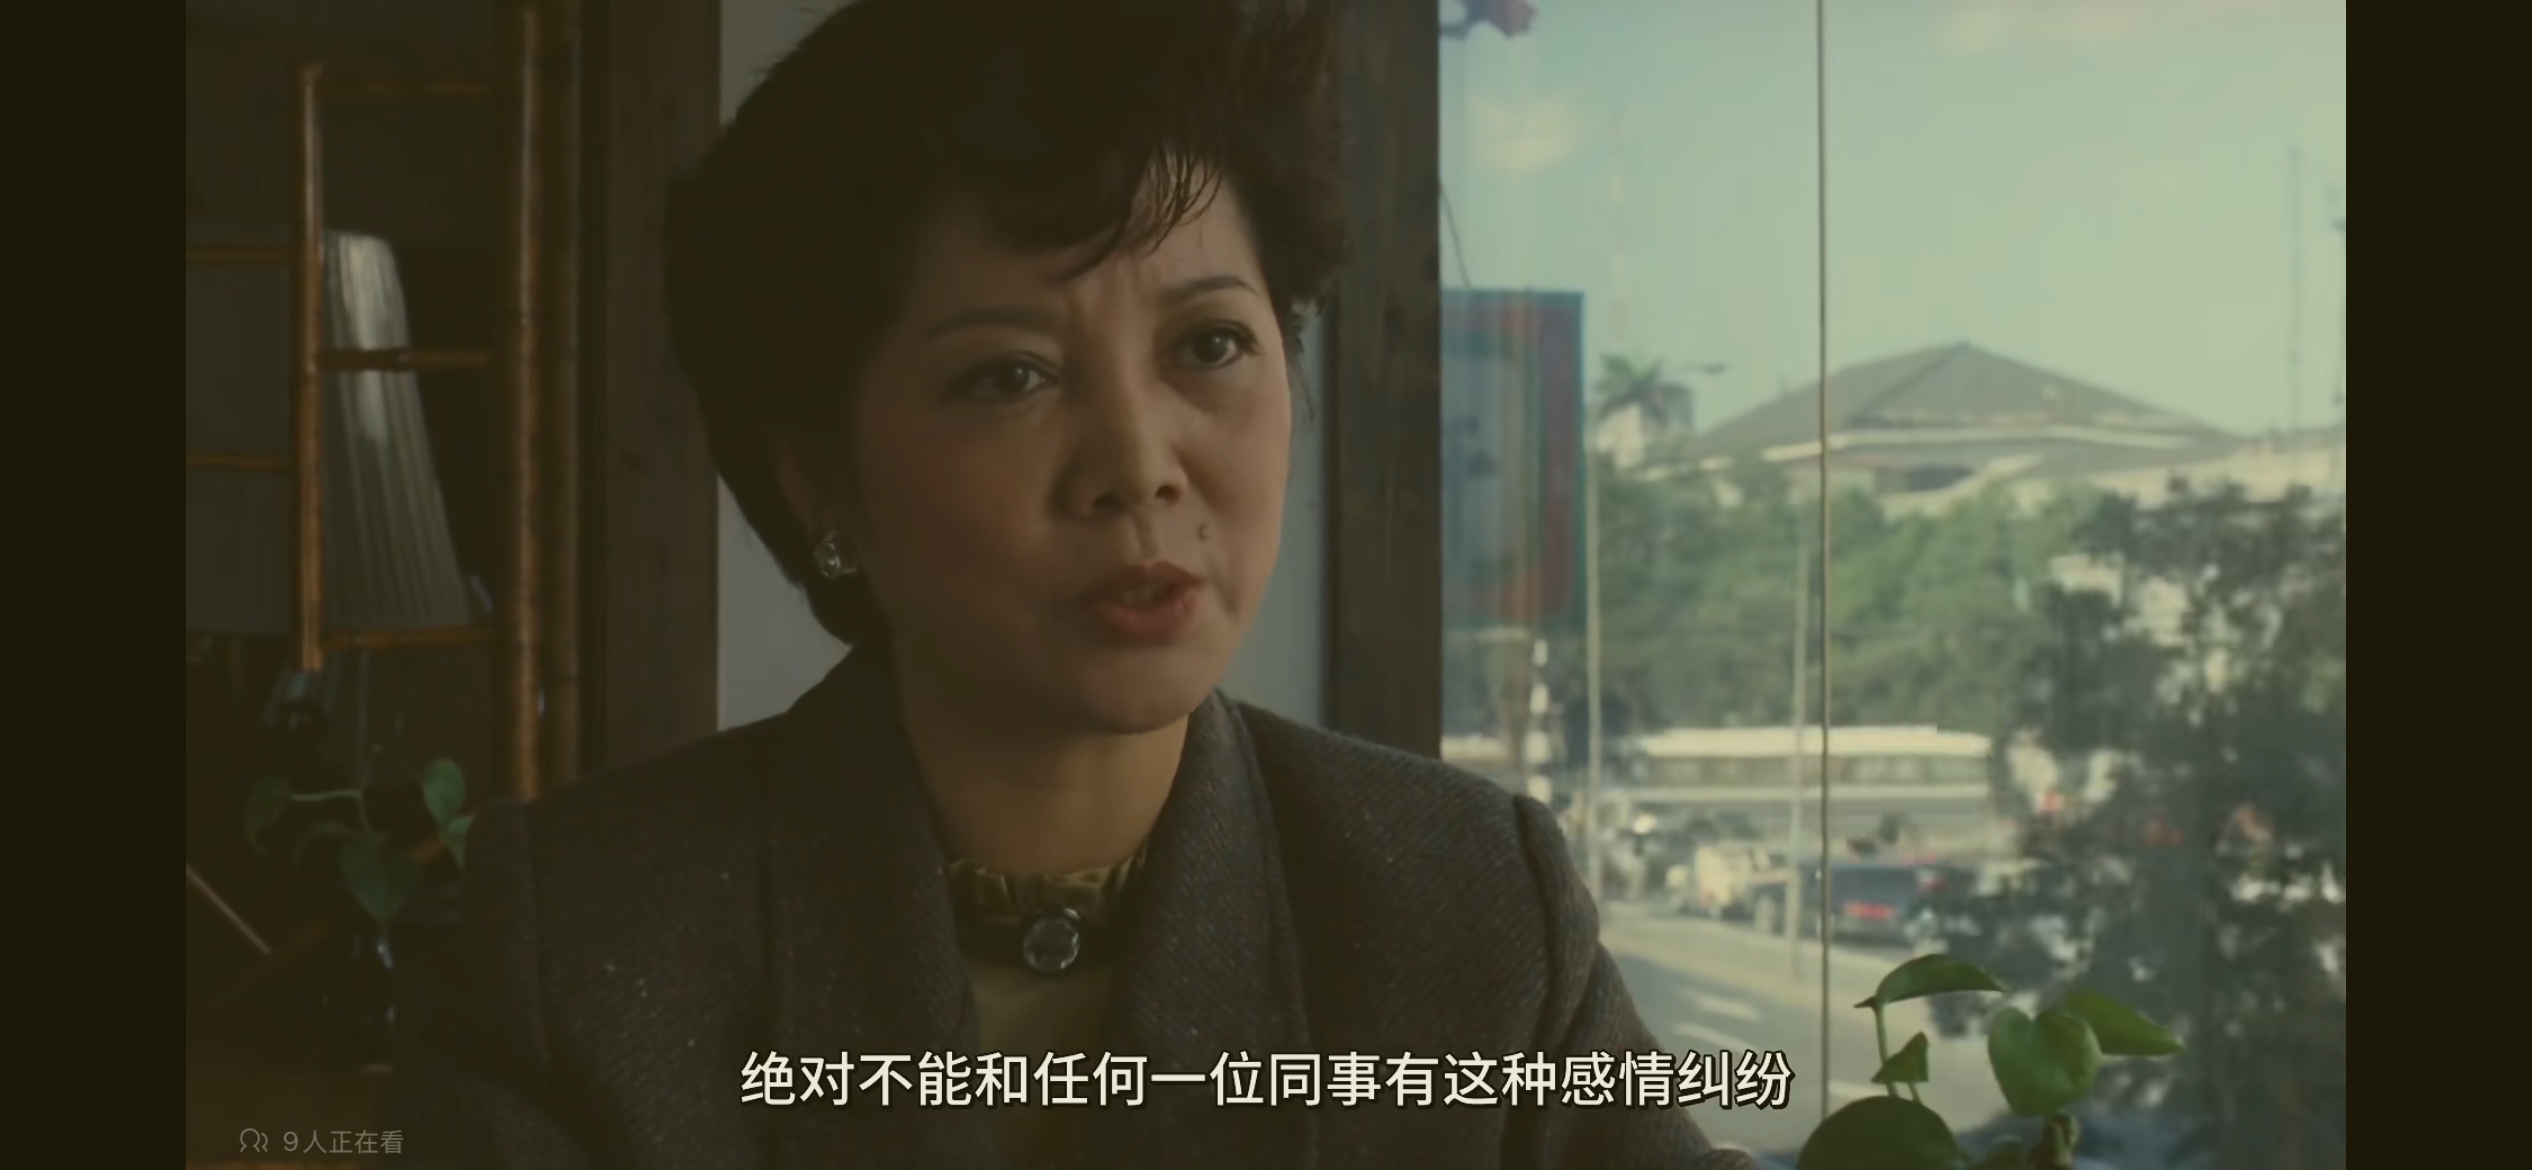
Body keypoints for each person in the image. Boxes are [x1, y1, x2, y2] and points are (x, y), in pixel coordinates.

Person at [388, 1, 1753, 1167]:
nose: (1139, 466)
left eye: (1209, 344)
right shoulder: (587, 945)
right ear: (821, 477)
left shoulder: (1470, 904)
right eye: (1011, 374)